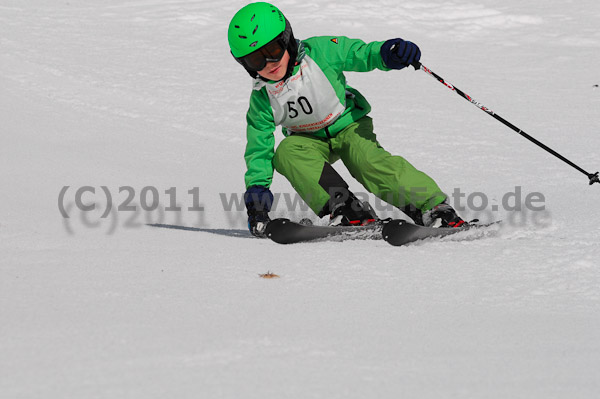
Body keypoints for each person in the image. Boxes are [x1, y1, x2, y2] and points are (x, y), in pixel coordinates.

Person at [228, 2, 466, 237]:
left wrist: (387, 54)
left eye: (273, 51)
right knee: (287, 152)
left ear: (287, 39)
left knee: (365, 159)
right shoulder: (262, 98)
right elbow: (259, 149)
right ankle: (348, 209)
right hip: (307, 140)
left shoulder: (321, 52)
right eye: (256, 60)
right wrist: (257, 198)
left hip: (349, 124)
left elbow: (358, 53)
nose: (269, 64)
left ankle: (433, 207)